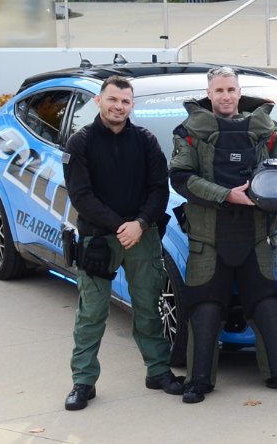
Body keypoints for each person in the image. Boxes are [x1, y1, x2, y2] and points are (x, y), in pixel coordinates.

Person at [169, 66, 277, 403]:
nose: (225, 96)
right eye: (219, 91)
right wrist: (227, 195)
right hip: (209, 236)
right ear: (209, 94)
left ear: (239, 92)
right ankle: (199, 381)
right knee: (204, 308)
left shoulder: (264, 128)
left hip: (258, 234)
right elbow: (181, 178)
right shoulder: (191, 130)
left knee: (268, 305)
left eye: (231, 90)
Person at [62, 76, 183, 410]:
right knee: (92, 312)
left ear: (132, 105)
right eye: (112, 100)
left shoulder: (145, 141)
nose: (118, 106)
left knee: (148, 305)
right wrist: (121, 226)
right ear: (99, 101)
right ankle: (83, 382)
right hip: (98, 239)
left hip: (141, 235)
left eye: (125, 101)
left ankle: (158, 371)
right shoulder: (80, 142)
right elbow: (81, 196)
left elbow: (160, 188)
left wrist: (140, 223)